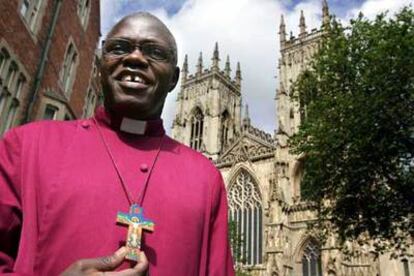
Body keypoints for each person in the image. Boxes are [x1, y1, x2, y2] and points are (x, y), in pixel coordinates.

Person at [0, 12, 235, 275]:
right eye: (120, 48)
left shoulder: (206, 178)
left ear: (174, 79)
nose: (135, 57)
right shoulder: (26, 146)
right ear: (100, 64)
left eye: (154, 52)